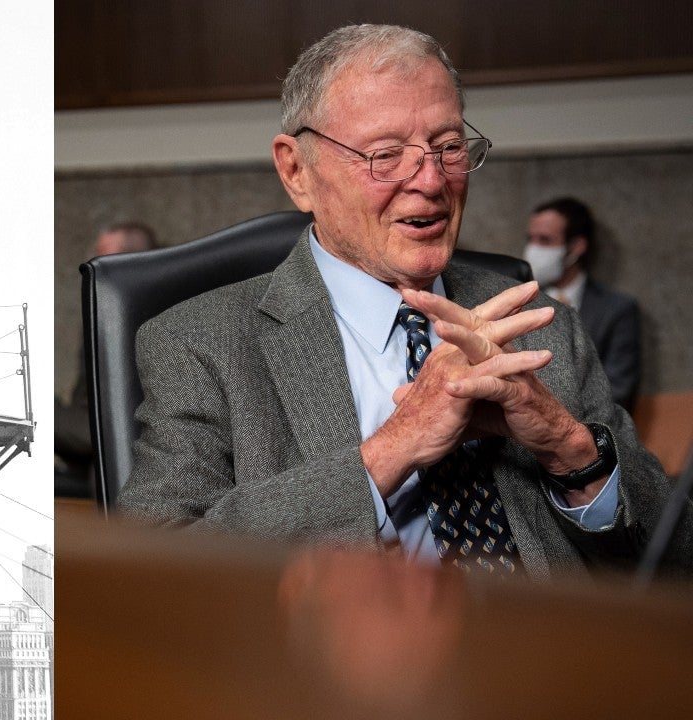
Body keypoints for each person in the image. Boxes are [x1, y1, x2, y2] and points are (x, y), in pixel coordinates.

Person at [118, 24, 689, 577]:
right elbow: (153, 568)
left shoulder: (542, 326)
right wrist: (393, 449)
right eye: (386, 155)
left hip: (547, 640)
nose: (432, 181)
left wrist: (569, 449)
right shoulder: (200, 344)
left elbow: (675, 557)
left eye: (448, 147)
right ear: (296, 171)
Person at [55, 221, 158, 496]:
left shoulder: (143, 314)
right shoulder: (102, 305)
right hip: (92, 426)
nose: (93, 265)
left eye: (102, 257)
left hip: (119, 427)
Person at [524, 197, 640, 411]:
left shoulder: (616, 310)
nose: (533, 249)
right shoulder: (519, 300)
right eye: (531, 239)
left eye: (545, 240)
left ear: (576, 247)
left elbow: (618, 390)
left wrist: (556, 419)